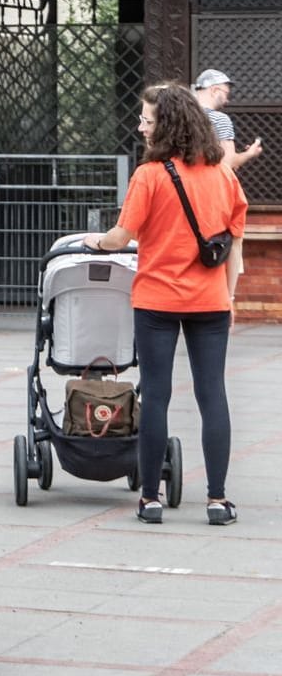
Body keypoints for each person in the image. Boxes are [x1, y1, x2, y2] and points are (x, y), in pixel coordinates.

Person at [85, 83, 247, 526]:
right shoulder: (223, 175)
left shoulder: (150, 175)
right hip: (210, 301)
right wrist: (228, 298)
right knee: (212, 394)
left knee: (156, 395)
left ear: (167, 125)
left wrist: (94, 240)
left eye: (147, 120)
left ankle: (150, 499)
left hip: (156, 299)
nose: (140, 126)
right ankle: (217, 501)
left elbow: (120, 237)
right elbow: (232, 244)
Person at [194, 69, 262, 173]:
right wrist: (250, 153)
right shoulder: (219, 119)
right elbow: (228, 163)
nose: (227, 100)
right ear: (214, 90)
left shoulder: (179, 115)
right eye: (226, 93)